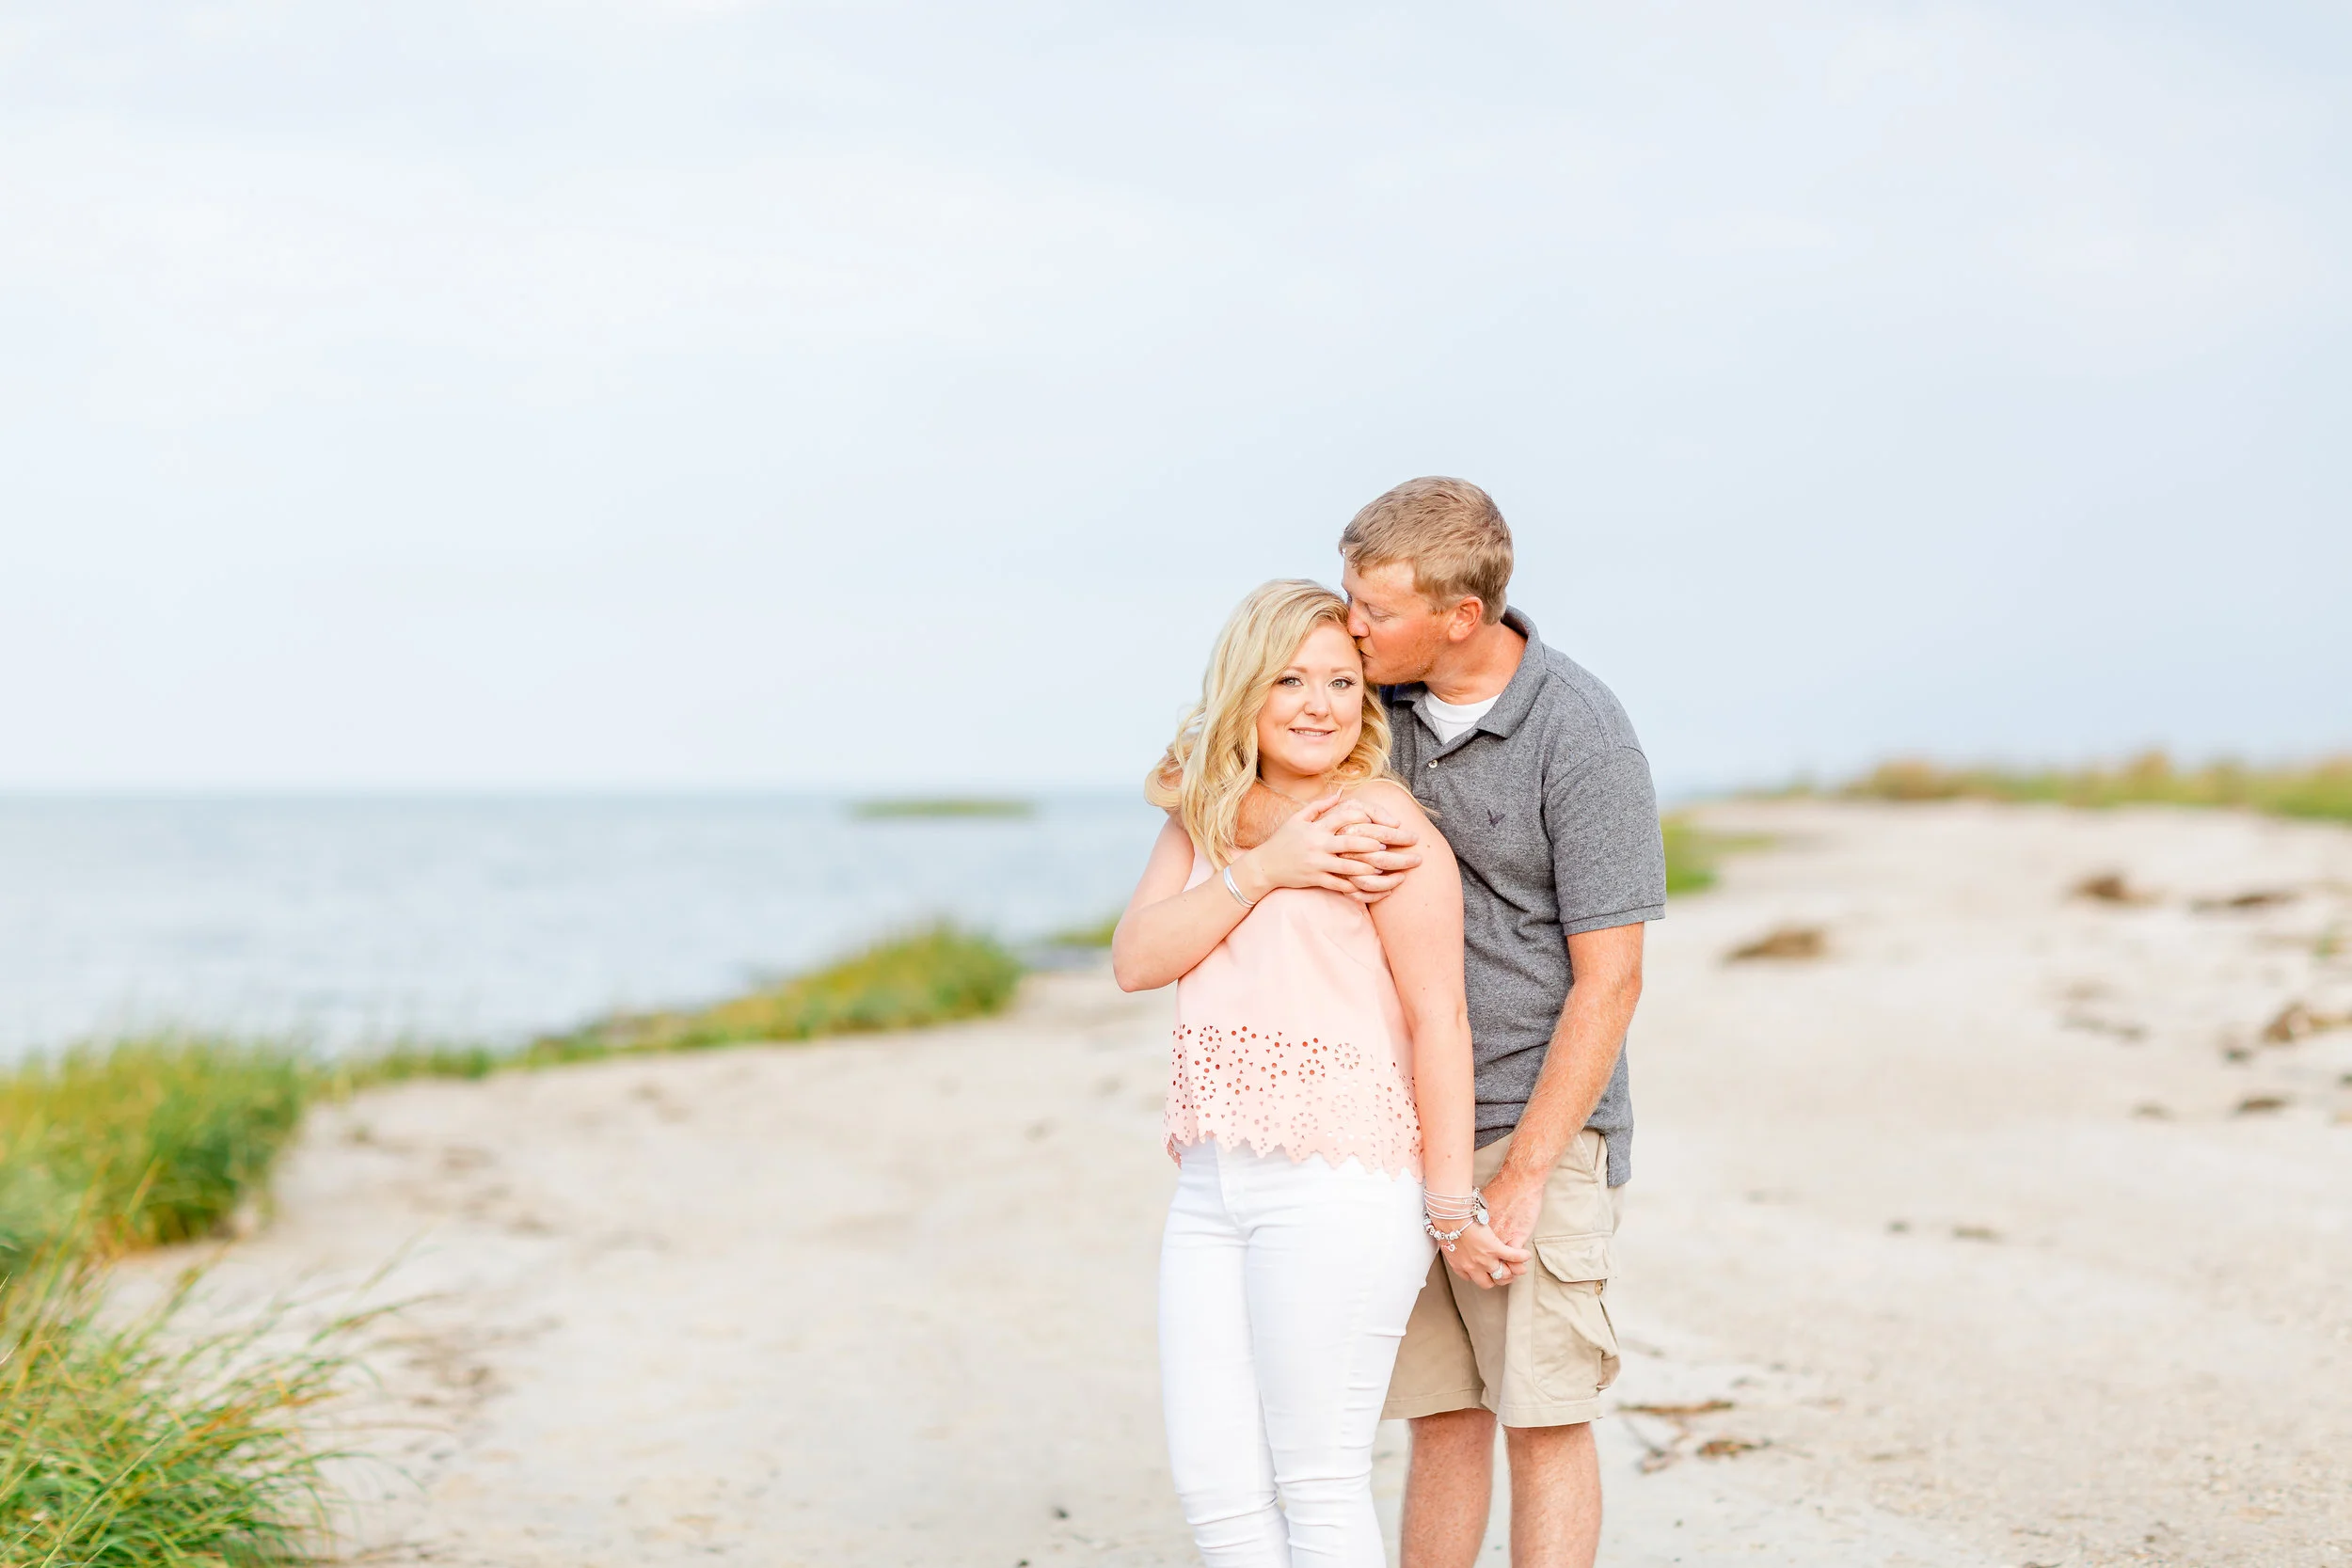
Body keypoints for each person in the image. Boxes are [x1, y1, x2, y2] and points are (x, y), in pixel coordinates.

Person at [1233, 479, 1667, 1568]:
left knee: (1543, 1414)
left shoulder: (1582, 732)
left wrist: (1525, 1171)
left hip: (1529, 1117)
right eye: (1350, 597)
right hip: (1395, 1124)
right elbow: (1216, 779)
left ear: (1461, 616)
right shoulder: (1373, 706)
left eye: (1374, 609)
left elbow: (1611, 980)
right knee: (1440, 1413)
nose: (1351, 627)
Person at [1111, 578, 1526, 1567]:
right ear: (1246, 688)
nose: (1319, 704)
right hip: (1211, 1184)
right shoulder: (1207, 817)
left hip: (1340, 1182)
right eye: (1291, 679)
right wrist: (1263, 868)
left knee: (1318, 1481)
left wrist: (1449, 1206)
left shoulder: (1379, 820)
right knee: (1217, 1491)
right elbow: (1136, 959)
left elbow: (1440, 1016)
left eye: (1342, 681)